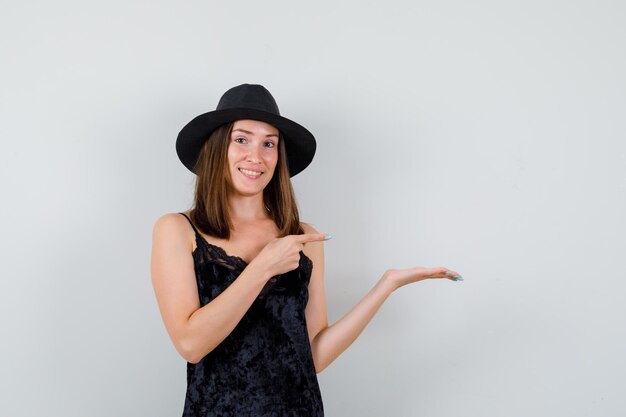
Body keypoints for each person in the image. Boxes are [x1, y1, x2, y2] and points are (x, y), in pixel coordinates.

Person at [150, 83, 463, 417]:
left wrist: (387, 285)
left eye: (269, 144)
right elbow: (191, 345)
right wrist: (263, 267)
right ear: (216, 149)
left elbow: (313, 355)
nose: (256, 156)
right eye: (241, 140)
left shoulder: (303, 238)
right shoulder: (177, 230)